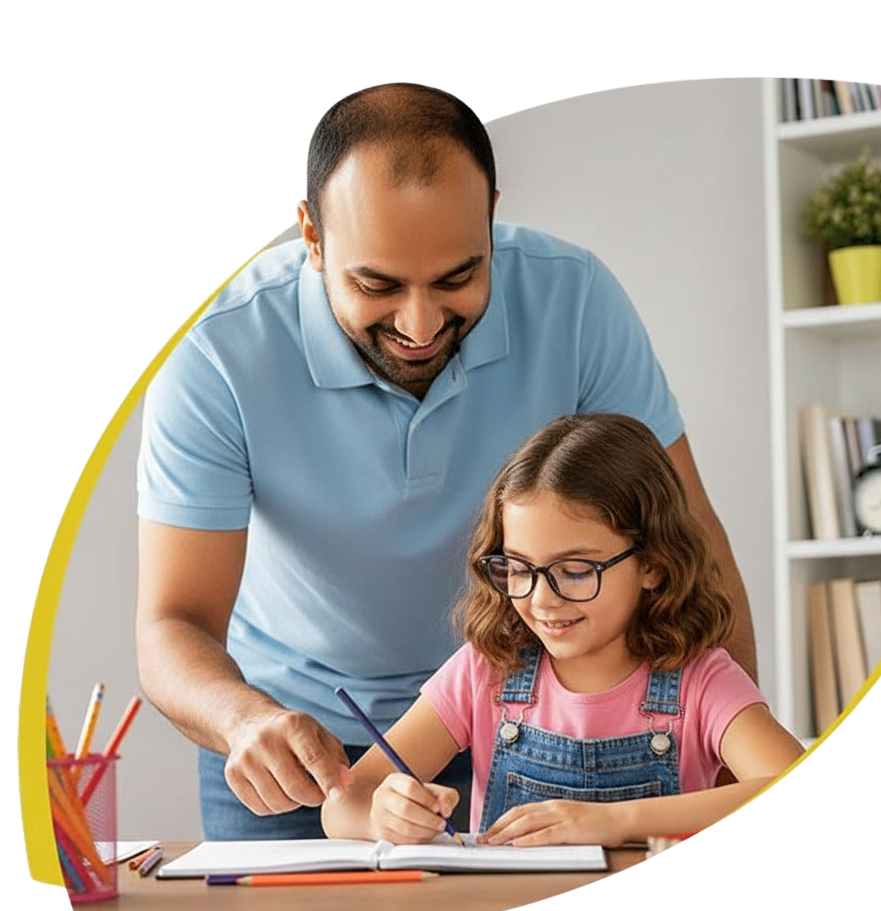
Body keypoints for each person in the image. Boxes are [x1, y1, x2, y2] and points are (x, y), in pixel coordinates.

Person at [135, 82, 759, 841]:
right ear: (312, 236)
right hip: (305, 744)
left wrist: (724, 748)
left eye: (459, 277)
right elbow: (173, 623)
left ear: (492, 215)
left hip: (542, 713)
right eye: (377, 284)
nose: (421, 324)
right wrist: (245, 720)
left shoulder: (577, 300)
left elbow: (686, 535)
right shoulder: (215, 355)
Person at [322, 414, 804, 845]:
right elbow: (343, 804)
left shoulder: (701, 680)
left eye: (575, 570)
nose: (540, 598)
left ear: (653, 565)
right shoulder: (487, 670)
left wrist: (615, 820)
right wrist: (380, 816)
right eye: (518, 568)